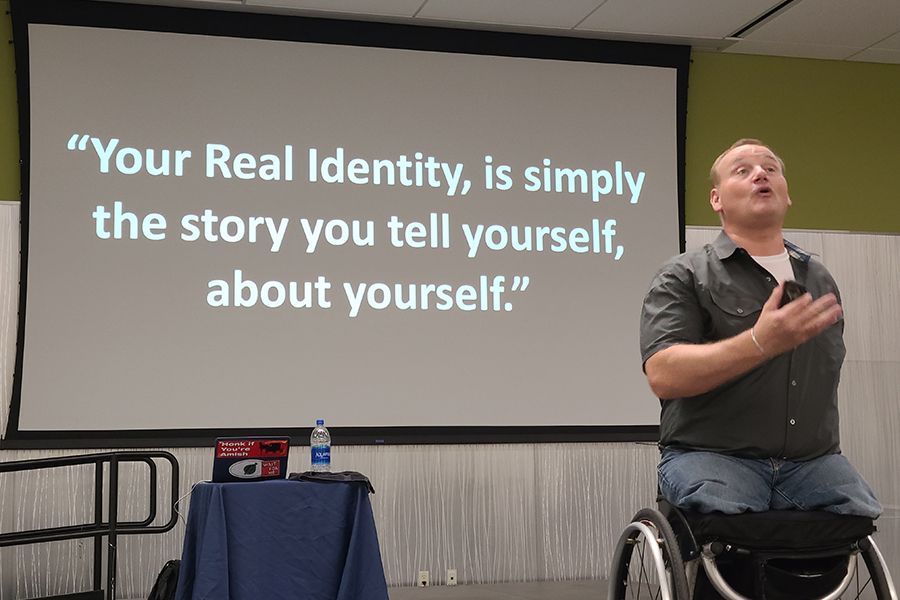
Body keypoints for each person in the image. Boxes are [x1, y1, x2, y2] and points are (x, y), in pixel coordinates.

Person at [639, 138, 881, 518]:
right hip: (713, 458)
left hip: (811, 464)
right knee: (731, 528)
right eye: (743, 170)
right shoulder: (685, 274)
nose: (760, 174)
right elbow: (664, 374)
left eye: (770, 168)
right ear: (716, 199)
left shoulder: (819, 279)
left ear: (787, 197)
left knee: (858, 515)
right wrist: (758, 343)